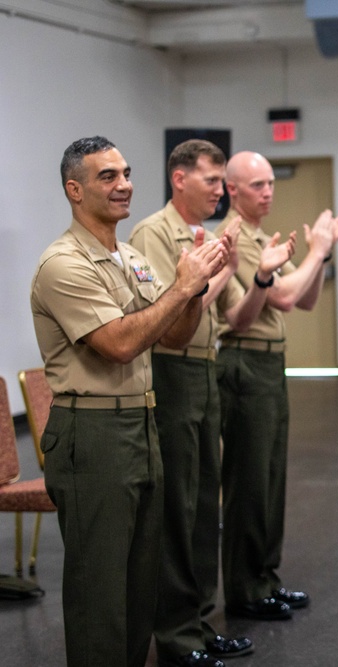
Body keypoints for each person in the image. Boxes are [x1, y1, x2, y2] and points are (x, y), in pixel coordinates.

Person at [30, 136, 229, 667]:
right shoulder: (63, 264)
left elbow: (174, 335)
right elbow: (119, 343)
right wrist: (180, 288)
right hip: (91, 435)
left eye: (126, 173)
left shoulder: (133, 258)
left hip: (142, 425)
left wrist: (193, 287)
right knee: (101, 592)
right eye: (107, 177)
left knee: (142, 586)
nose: (125, 185)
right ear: (75, 190)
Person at [128, 140, 296, 667]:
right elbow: (170, 315)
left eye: (224, 181)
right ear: (179, 179)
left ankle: (198, 623)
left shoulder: (213, 237)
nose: (221, 191)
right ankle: (177, 637)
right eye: (211, 181)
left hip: (206, 368)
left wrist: (260, 275)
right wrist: (215, 268)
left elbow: (235, 315)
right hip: (172, 370)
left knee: (203, 508)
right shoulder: (155, 234)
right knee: (177, 508)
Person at [218, 151, 338, 620]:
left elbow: (306, 298)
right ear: (232, 189)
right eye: (257, 184)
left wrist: (324, 252)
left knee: (270, 479)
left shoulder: (258, 236)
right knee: (250, 481)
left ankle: (263, 579)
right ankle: (244, 588)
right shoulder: (232, 238)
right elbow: (284, 295)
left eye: (271, 182)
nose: (268, 191)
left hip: (269, 366)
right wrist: (315, 252)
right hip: (243, 364)